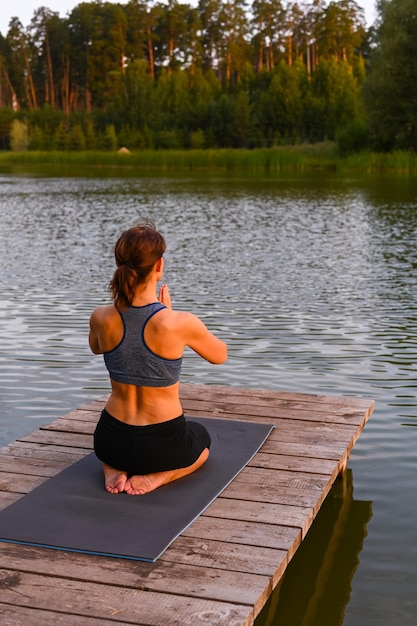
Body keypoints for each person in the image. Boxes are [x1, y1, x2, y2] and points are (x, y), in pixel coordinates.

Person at [89, 222, 227, 496]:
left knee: (119, 450)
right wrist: (168, 316)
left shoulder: (101, 316)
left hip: (109, 440)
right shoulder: (179, 322)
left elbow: (96, 347)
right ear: (158, 265)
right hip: (162, 447)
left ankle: (112, 467)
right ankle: (163, 475)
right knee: (202, 439)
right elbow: (219, 355)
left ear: (119, 266)